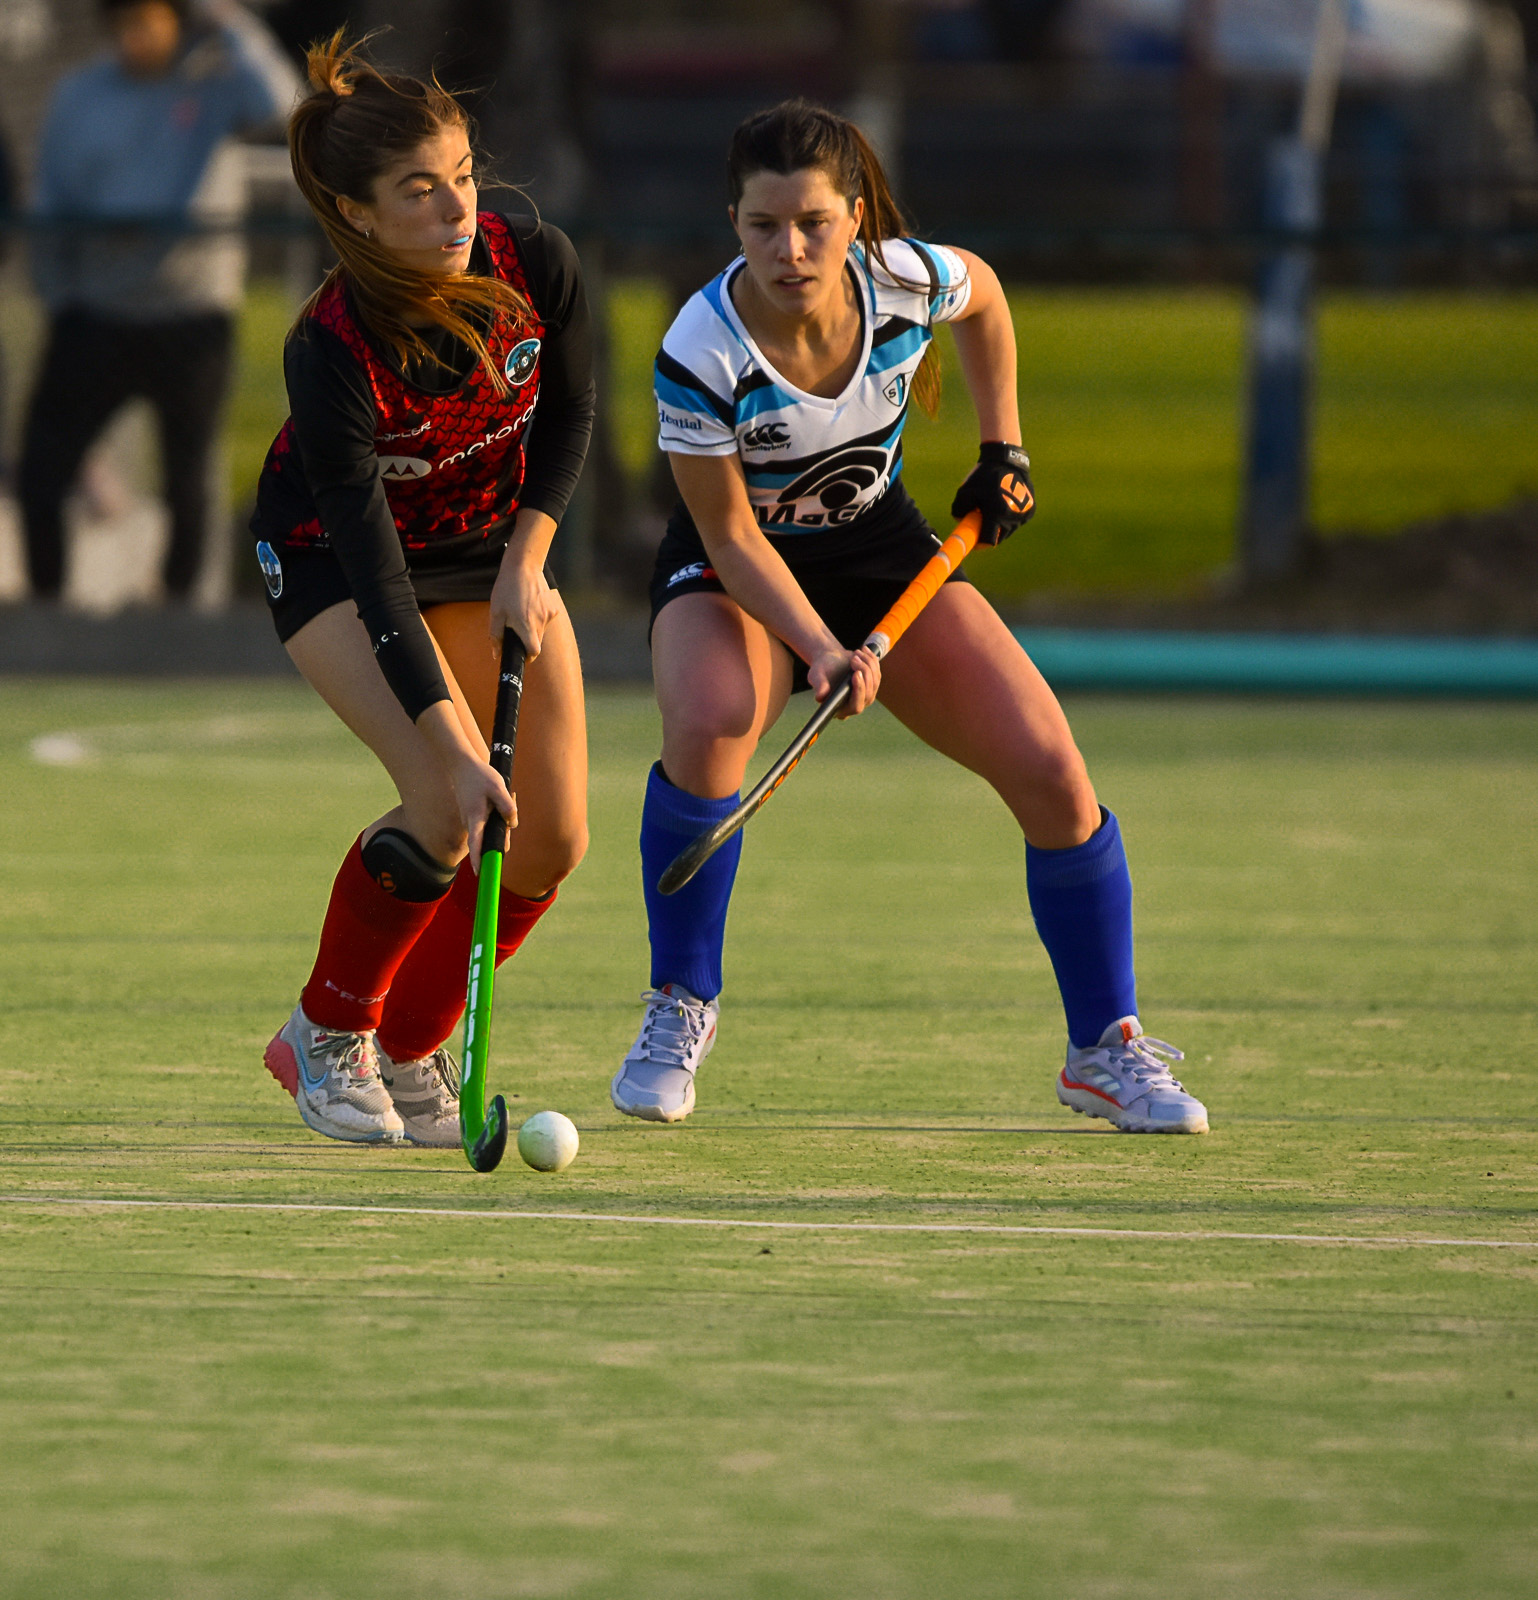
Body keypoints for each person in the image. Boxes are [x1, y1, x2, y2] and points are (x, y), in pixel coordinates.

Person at [611, 99, 1208, 1135]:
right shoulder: (699, 351)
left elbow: (985, 300)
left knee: (1051, 770)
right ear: (731, 220)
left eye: (812, 223)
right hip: (734, 573)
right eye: (761, 227)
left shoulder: (902, 280)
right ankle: (679, 1005)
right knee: (709, 723)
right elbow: (732, 540)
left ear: (852, 217)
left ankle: (1102, 1048)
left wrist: (1001, 449)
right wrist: (817, 650)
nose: (788, 251)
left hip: (883, 555)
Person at [250, 35, 594, 1146]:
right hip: (334, 562)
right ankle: (325, 1032)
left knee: (548, 840)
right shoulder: (330, 349)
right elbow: (369, 563)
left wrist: (528, 556)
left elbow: (571, 414)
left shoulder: (530, 257)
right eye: (417, 190)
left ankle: (410, 1047)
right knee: (446, 805)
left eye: (460, 174)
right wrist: (448, 738)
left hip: (492, 545)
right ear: (356, 214)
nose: (455, 207)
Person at [19, 0, 296, 601]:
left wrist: (228, 20)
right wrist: (60, 296)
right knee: (41, 473)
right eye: (125, 22)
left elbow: (284, 103)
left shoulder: (218, 82)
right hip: (95, 315)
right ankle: (47, 611)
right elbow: (51, 203)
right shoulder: (79, 95)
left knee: (188, 480)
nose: (136, 35)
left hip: (192, 319)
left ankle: (177, 619)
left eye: (151, 18)